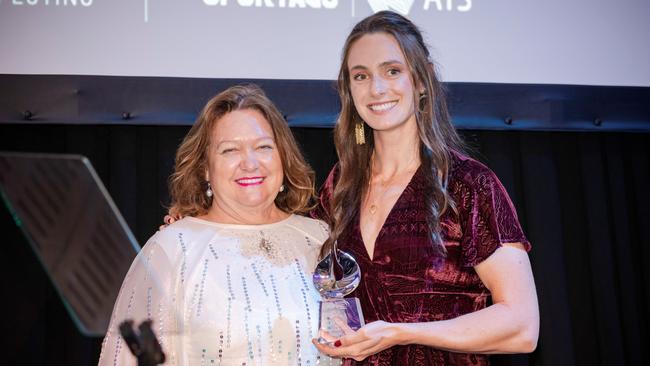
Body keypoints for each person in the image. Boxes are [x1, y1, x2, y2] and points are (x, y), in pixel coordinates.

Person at [310, 11, 539, 365]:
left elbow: (522, 327)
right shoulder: (340, 186)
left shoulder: (468, 184)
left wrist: (403, 332)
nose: (377, 89)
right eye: (361, 76)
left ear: (422, 81)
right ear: (348, 89)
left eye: (392, 71)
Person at [98, 85, 339, 365]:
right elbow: (123, 357)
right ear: (205, 168)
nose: (250, 163)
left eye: (263, 147)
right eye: (229, 150)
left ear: (283, 156)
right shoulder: (172, 248)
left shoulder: (320, 239)